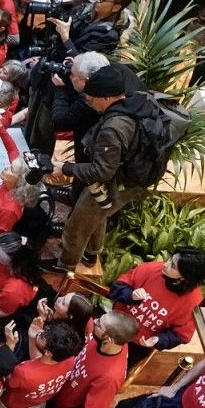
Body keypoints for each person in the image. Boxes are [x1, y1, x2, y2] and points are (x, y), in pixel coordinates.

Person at [48, 65, 162, 270]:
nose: (88, 102)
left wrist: (65, 168)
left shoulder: (113, 128)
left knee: (78, 224)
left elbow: (102, 172)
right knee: (98, 213)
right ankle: (91, 254)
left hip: (117, 181)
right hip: (129, 176)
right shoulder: (135, 100)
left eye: (91, 99)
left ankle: (66, 265)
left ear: (107, 98)